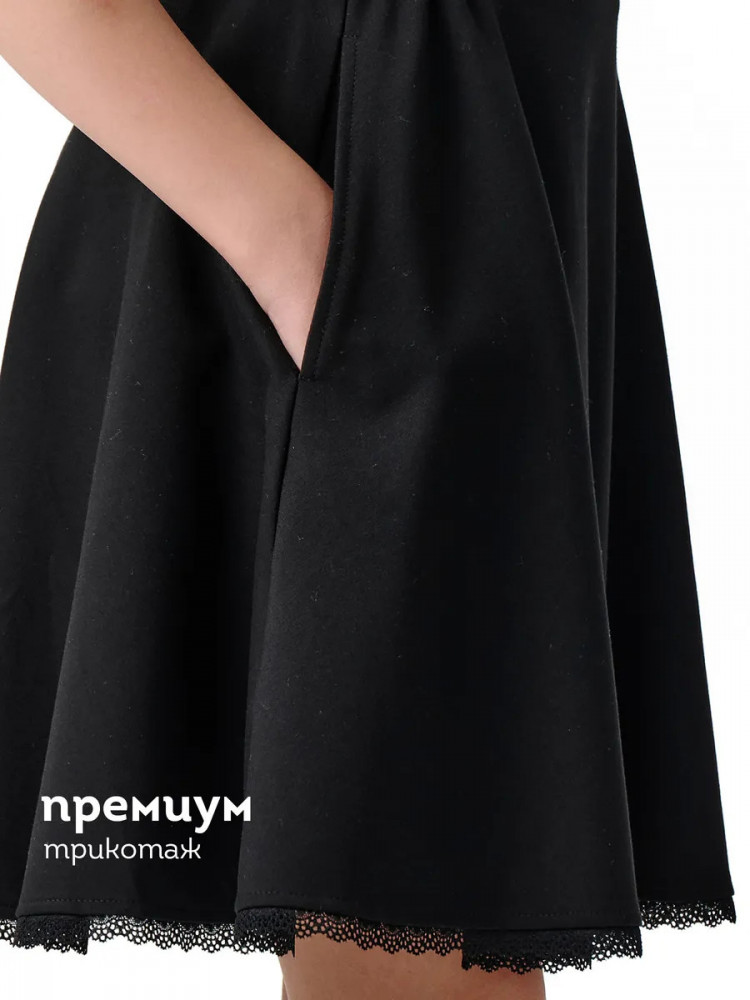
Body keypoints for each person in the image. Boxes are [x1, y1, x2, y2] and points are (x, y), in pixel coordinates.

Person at [0, 3, 734, 999]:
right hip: (323, 237)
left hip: (481, 216)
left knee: (438, 941)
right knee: (415, 943)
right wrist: (312, 261)